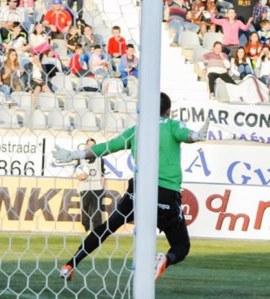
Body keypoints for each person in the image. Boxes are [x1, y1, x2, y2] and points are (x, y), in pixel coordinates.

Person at [52, 92, 209, 282]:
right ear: (168, 111)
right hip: (166, 194)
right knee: (181, 246)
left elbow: (108, 146)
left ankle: (70, 264)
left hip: (139, 191)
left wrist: (74, 155)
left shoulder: (137, 130)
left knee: (107, 228)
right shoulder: (173, 125)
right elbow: (186, 135)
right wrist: (196, 136)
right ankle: (164, 260)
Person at [75, 138, 105, 232]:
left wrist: (102, 187)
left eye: (93, 145)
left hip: (97, 189)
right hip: (84, 188)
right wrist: (81, 177)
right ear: (86, 146)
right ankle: (87, 229)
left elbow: (102, 174)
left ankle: (97, 233)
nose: (91, 147)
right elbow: (77, 175)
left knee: (97, 213)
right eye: (89, 145)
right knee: (85, 213)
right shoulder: (80, 159)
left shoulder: (100, 159)